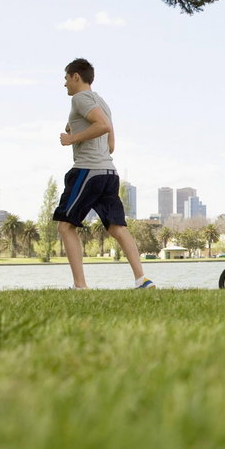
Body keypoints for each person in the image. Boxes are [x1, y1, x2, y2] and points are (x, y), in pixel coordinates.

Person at [53, 58, 154, 289]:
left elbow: (103, 126)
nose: (65, 84)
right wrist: (78, 130)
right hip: (109, 172)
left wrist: (71, 139)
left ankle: (80, 285)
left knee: (65, 226)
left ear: (76, 76)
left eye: (66, 79)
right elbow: (110, 144)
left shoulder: (80, 98)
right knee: (117, 227)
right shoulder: (101, 101)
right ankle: (142, 279)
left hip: (88, 170)